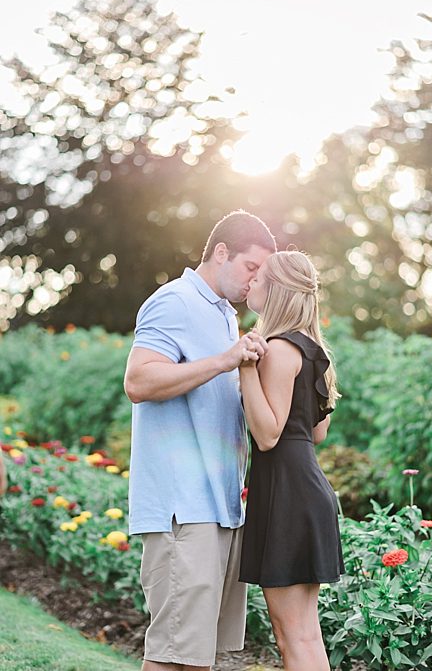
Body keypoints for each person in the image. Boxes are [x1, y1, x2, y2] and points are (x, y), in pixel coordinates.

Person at [124, 210, 276, 671]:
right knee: (171, 658)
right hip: (181, 509)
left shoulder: (225, 316)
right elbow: (139, 381)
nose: (255, 282)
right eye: (251, 268)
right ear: (221, 253)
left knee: (197, 659)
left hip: (218, 510)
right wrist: (225, 361)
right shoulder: (174, 301)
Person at [238, 250, 343, 671]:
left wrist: (244, 366)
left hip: (286, 495)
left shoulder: (279, 350)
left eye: (259, 278)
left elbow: (267, 435)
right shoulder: (311, 347)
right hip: (305, 488)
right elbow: (316, 432)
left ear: (277, 290)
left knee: (292, 637)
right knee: (304, 634)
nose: (250, 284)